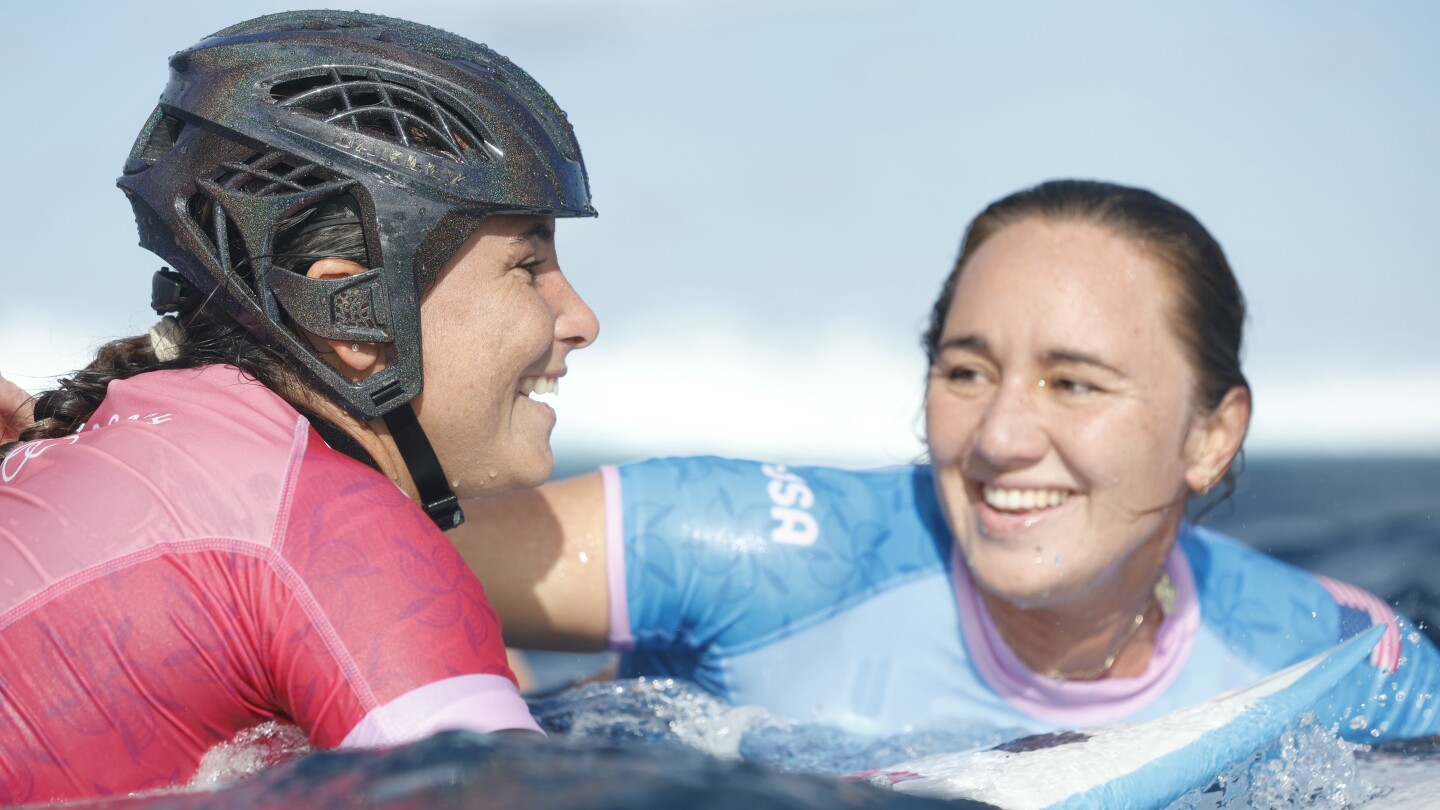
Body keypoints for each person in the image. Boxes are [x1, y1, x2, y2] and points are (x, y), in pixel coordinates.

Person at [451, 179, 1440, 742]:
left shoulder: (1330, 664)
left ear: (1211, 436)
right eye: (966, 372)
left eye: (1075, 383)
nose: (1001, 438)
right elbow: (318, 548)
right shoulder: (754, 549)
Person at [0, 10, 598, 803]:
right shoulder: (336, 538)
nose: (580, 319)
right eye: (528, 266)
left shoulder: (128, 432)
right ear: (355, 310)